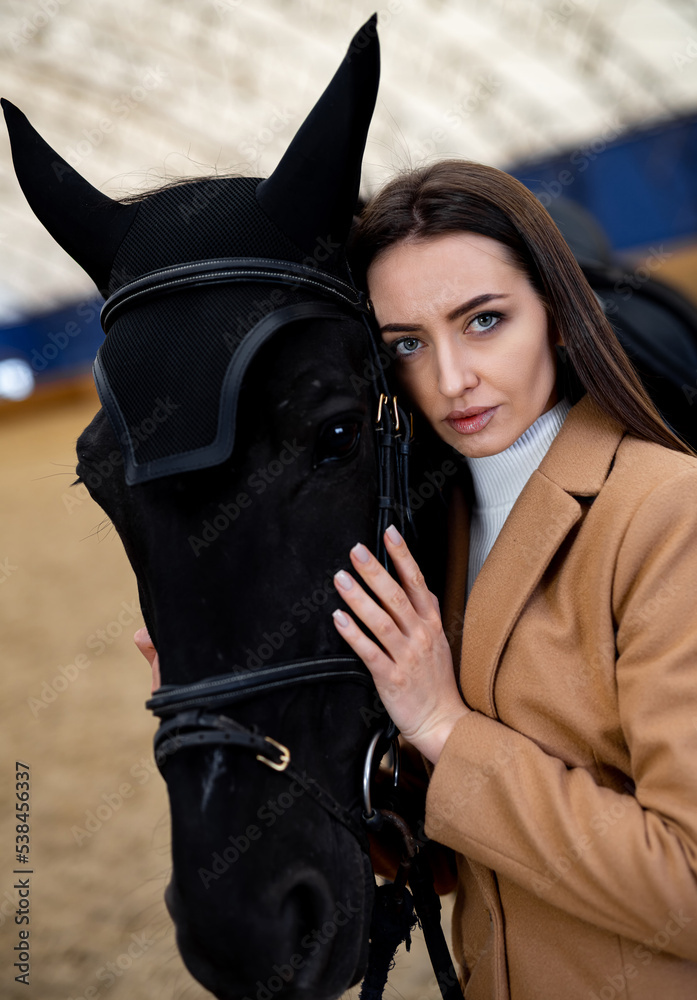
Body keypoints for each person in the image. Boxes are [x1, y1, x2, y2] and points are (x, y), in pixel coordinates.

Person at [330, 159, 697, 999]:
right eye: (409, 345)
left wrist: (443, 725)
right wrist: (232, 716)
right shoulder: (438, 530)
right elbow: (461, 857)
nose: (451, 379)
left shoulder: (665, 515)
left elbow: (683, 883)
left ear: (560, 318)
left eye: (484, 320)